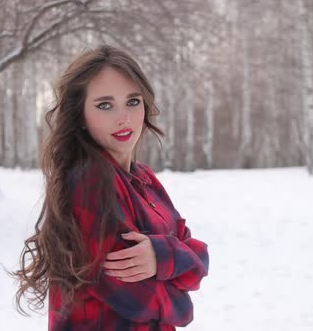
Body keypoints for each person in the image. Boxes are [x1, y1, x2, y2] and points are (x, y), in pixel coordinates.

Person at [12, 45, 209, 330]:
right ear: (79, 115)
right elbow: (135, 297)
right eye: (105, 105)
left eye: (133, 101)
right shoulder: (88, 181)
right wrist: (182, 302)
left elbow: (198, 257)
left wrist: (162, 254)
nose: (124, 117)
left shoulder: (145, 179)